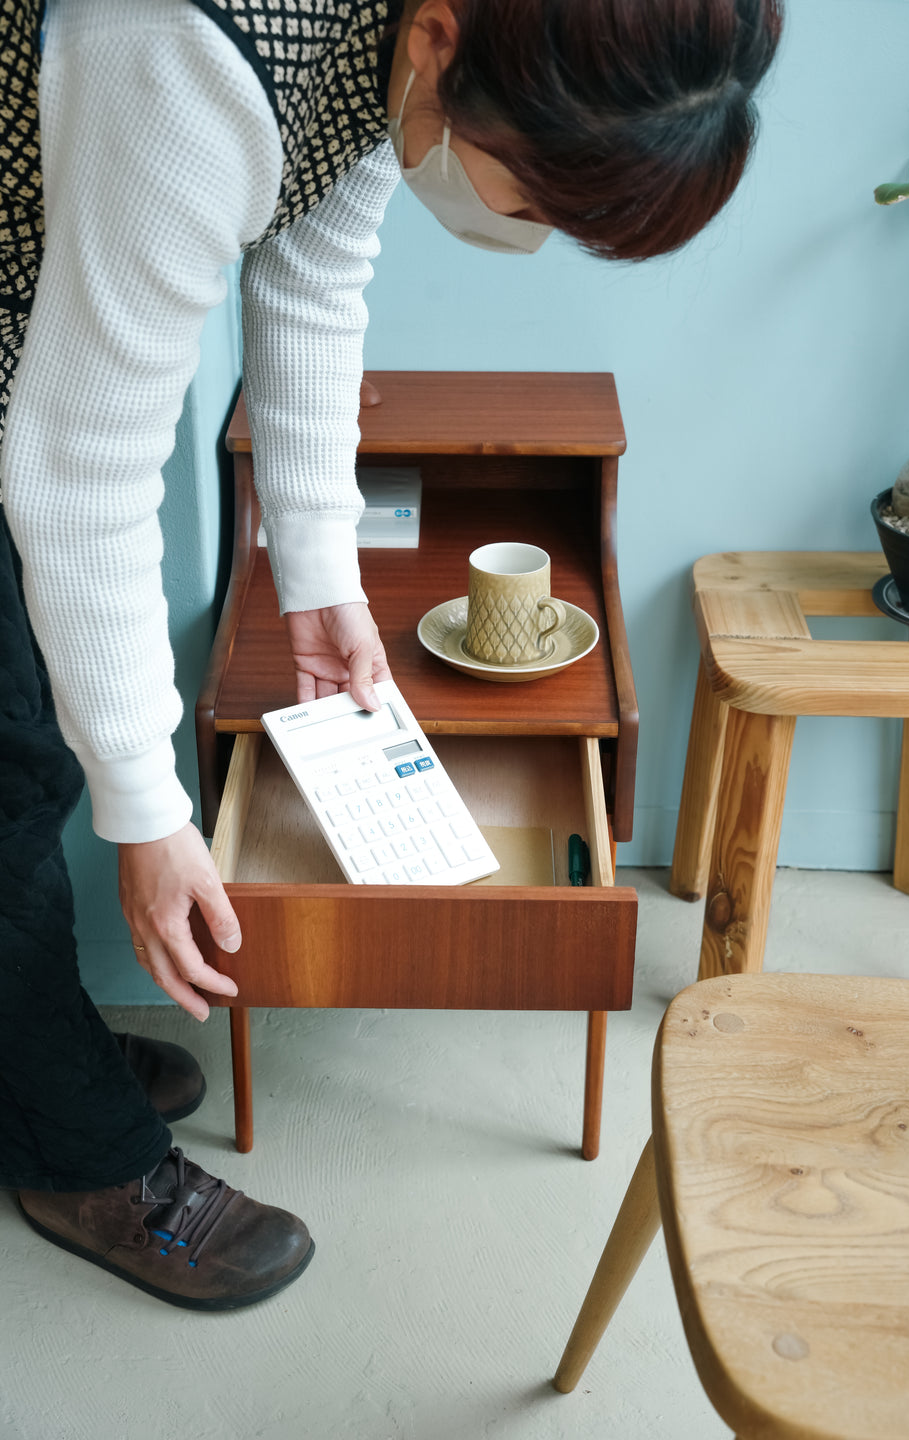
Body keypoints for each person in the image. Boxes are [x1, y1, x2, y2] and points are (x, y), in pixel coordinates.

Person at [0, 0, 782, 1310]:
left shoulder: (411, 50)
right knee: (17, 770)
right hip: (29, 359)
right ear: (437, 39)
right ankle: (79, 1157)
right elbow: (83, 474)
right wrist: (148, 808)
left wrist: (318, 575)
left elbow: (312, 276)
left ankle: (36, 1069)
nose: (523, 232)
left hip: (49, 348)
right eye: (533, 199)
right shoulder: (187, 62)